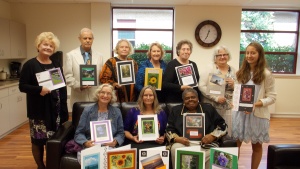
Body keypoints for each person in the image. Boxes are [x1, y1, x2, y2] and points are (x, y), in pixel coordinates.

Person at [19, 32, 69, 169]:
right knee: (38, 141)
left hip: (56, 110)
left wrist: (64, 109)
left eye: (51, 46)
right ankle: (41, 166)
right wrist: (39, 89)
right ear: (38, 45)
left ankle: (52, 165)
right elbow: (22, 86)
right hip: (39, 111)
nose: (48, 47)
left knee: (53, 141)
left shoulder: (55, 63)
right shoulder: (30, 64)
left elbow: (61, 86)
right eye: (45, 44)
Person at [232, 42, 276, 169]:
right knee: (235, 145)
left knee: (256, 146)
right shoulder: (240, 72)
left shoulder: (266, 74)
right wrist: (234, 101)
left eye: (253, 53)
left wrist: (254, 104)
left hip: (258, 115)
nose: (249, 55)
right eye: (247, 53)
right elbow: (238, 93)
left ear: (259, 55)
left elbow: (272, 97)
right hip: (240, 114)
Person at [166, 88, 227, 169]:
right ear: (183, 100)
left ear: (198, 98)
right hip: (184, 143)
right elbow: (169, 129)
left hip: (206, 144)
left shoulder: (208, 108)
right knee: (175, 148)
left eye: (193, 97)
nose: (190, 100)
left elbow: (223, 126)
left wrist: (212, 136)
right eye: (187, 98)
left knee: (213, 152)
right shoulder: (176, 110)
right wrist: (177, 139)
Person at [74, 84, 125, 163]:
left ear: (111, 97)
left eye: (108, 94)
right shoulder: (87, 111)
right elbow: (79, 133)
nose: (105, 95)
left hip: (109, 147)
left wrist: (115, 141)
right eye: (103, 92)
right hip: (91, 147)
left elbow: (121, 133)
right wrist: (86, 143)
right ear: (98, 94)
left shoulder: (116, 112)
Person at [198, 46, 236, 136]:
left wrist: (234, 85)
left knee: (227, 132)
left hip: (228, 108)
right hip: (212, 107)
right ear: (215, 57)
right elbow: (201, 86)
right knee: (212, 133)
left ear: (228, 56)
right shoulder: (209, 69)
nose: (222, 57)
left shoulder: (233, 70)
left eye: (225, 54)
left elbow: (238, 88)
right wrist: (215, 98)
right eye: (219, 55)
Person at [123, 85, 167, 162]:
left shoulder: (161, 112)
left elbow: (166, 131)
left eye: (151, 95)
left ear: (154, 97)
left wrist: (163, 138)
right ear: (141, 97)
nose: (148, 97)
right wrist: (133, 138)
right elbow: (125, 131)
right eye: (145, 95)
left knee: (155, 163)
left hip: (156, 144)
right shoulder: (133, 111)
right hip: (137, 143)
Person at [64, 28, 103, 107]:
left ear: (93, 39)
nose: (88, 40)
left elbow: (101, 76)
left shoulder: (100, 56)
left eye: (90, 38)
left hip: (95, 97)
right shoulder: (70, 55)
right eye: (85, 38)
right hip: (78, 97)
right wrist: (79, 85)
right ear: (79, 39)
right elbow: (67, 76)